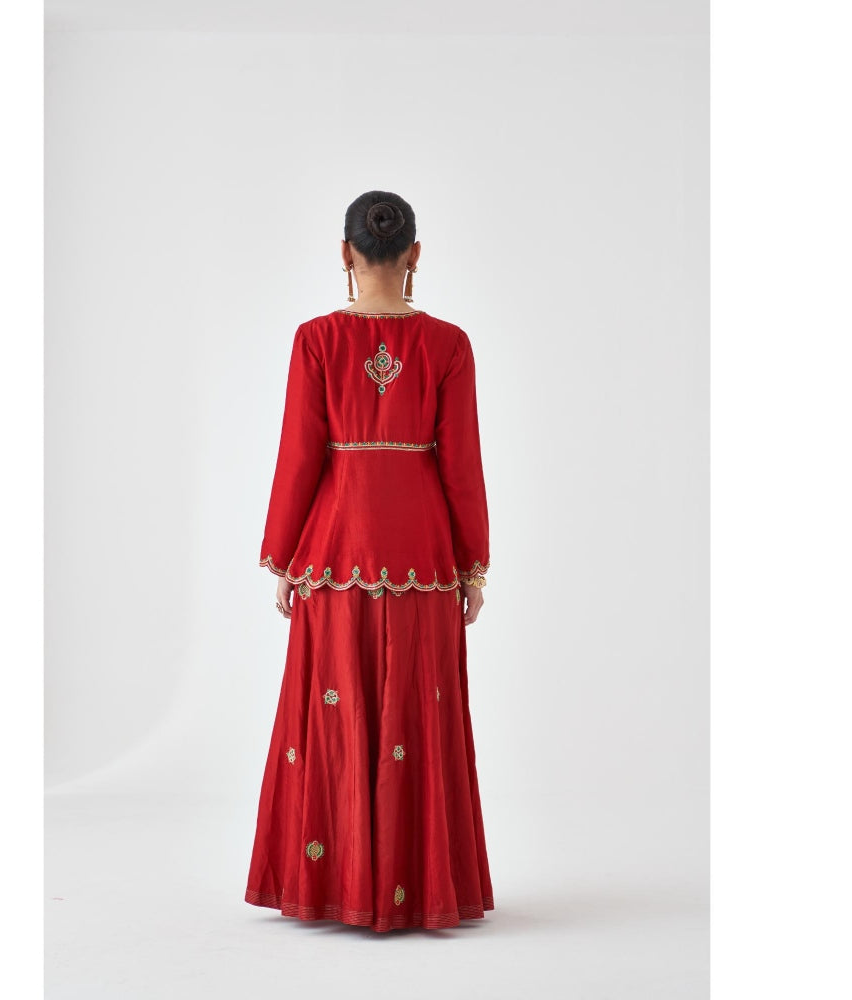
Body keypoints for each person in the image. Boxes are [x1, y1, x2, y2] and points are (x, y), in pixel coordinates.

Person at [244, 190, 494, 932]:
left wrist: (284, 556)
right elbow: (462, 467)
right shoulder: (448, 345)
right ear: (414, 254)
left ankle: (333, 881)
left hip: (335, 551)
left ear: (345, 253)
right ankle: (417, 885)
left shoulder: (316, 340)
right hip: (424, 556)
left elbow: (299, 456)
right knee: (420, 710)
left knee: (333, 717)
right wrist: (472, 565)